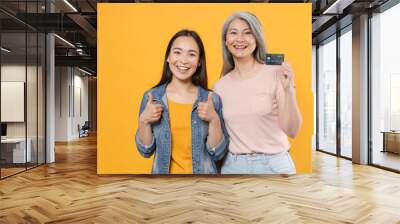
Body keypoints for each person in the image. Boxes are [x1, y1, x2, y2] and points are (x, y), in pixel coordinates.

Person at [213, 12, 302, 174]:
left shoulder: (276, 74)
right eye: (233, 33)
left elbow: (292, 130)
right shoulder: (219, 86)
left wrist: (289, 91)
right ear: (225, 41)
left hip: (275, 165)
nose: (240, 39)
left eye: (248, 32)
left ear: (257, 39)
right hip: (233, 167)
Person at [135, 29, 228, 174]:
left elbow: (218, 153)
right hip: (165, 187)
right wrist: (143, 121)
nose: (183, 60)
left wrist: (214, 119)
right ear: (168, 57)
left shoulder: (211, 99)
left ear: (198, 62)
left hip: (203, 186)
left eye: (191, 54)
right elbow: (145, 151)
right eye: (177, 52)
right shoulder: (152, 97)